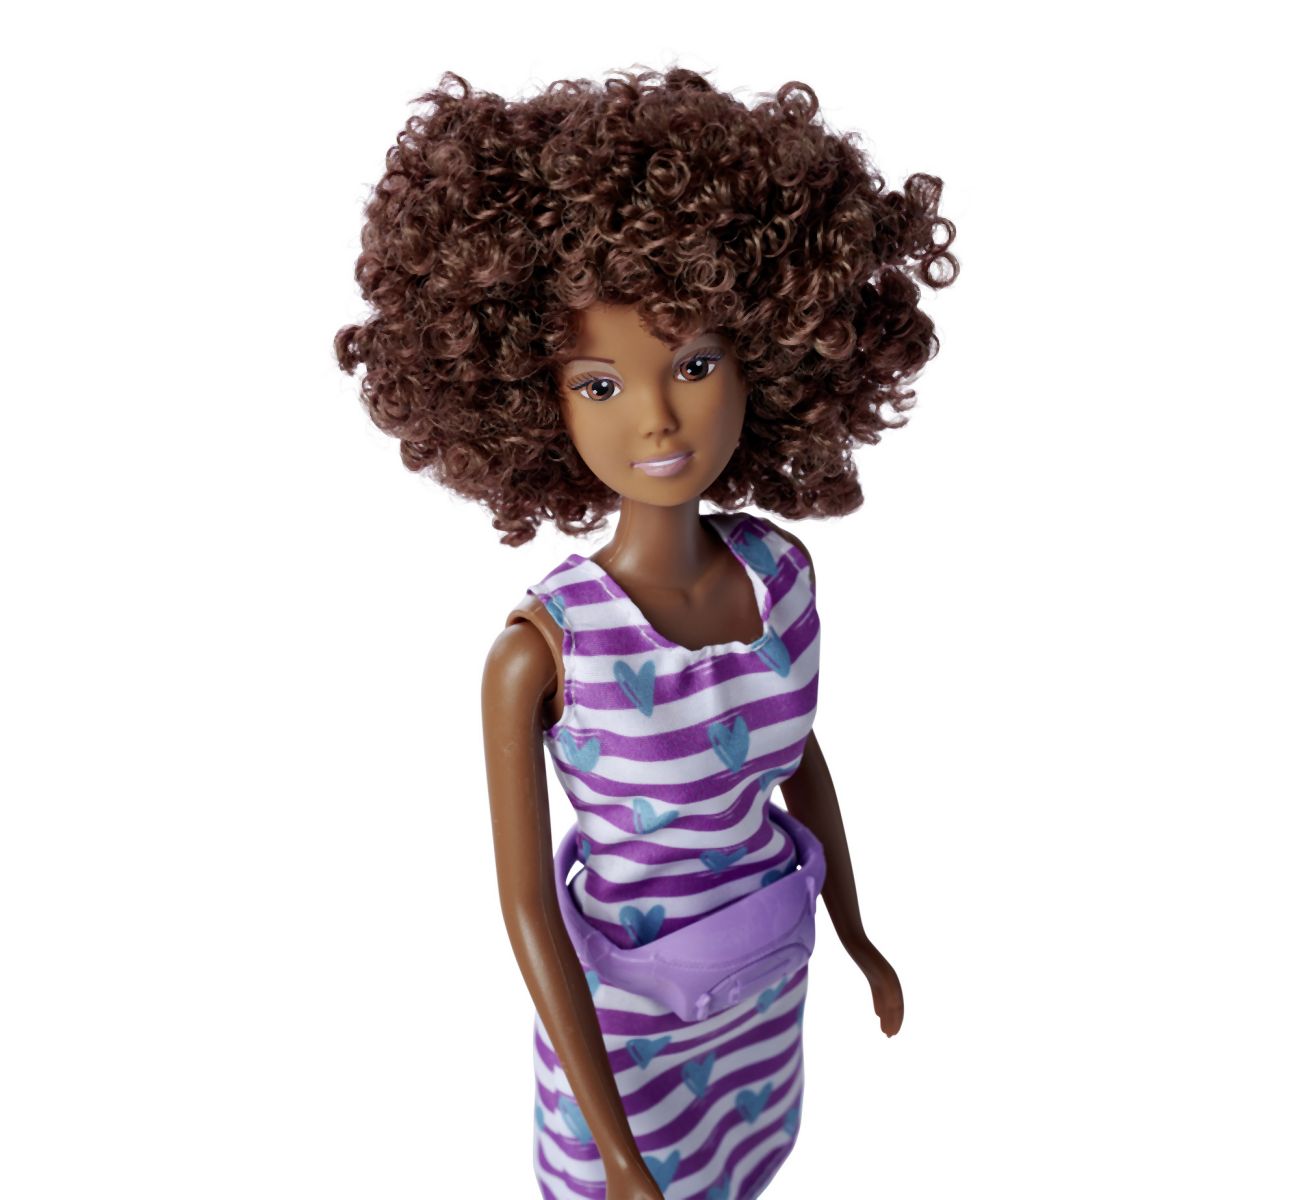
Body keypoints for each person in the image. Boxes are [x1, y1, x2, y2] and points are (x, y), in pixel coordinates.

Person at [335, 67, 957, 1200]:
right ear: (531, 400)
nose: (658, 417)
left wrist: (855, 930)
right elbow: (527, 908)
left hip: (765, 986)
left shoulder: (780, 574)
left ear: (769, 352)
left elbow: (797, 759)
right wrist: (614, 1152)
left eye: (694, 364)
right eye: (599, 384)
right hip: (623, 1031)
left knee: (746, 1172)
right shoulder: (545, 652)